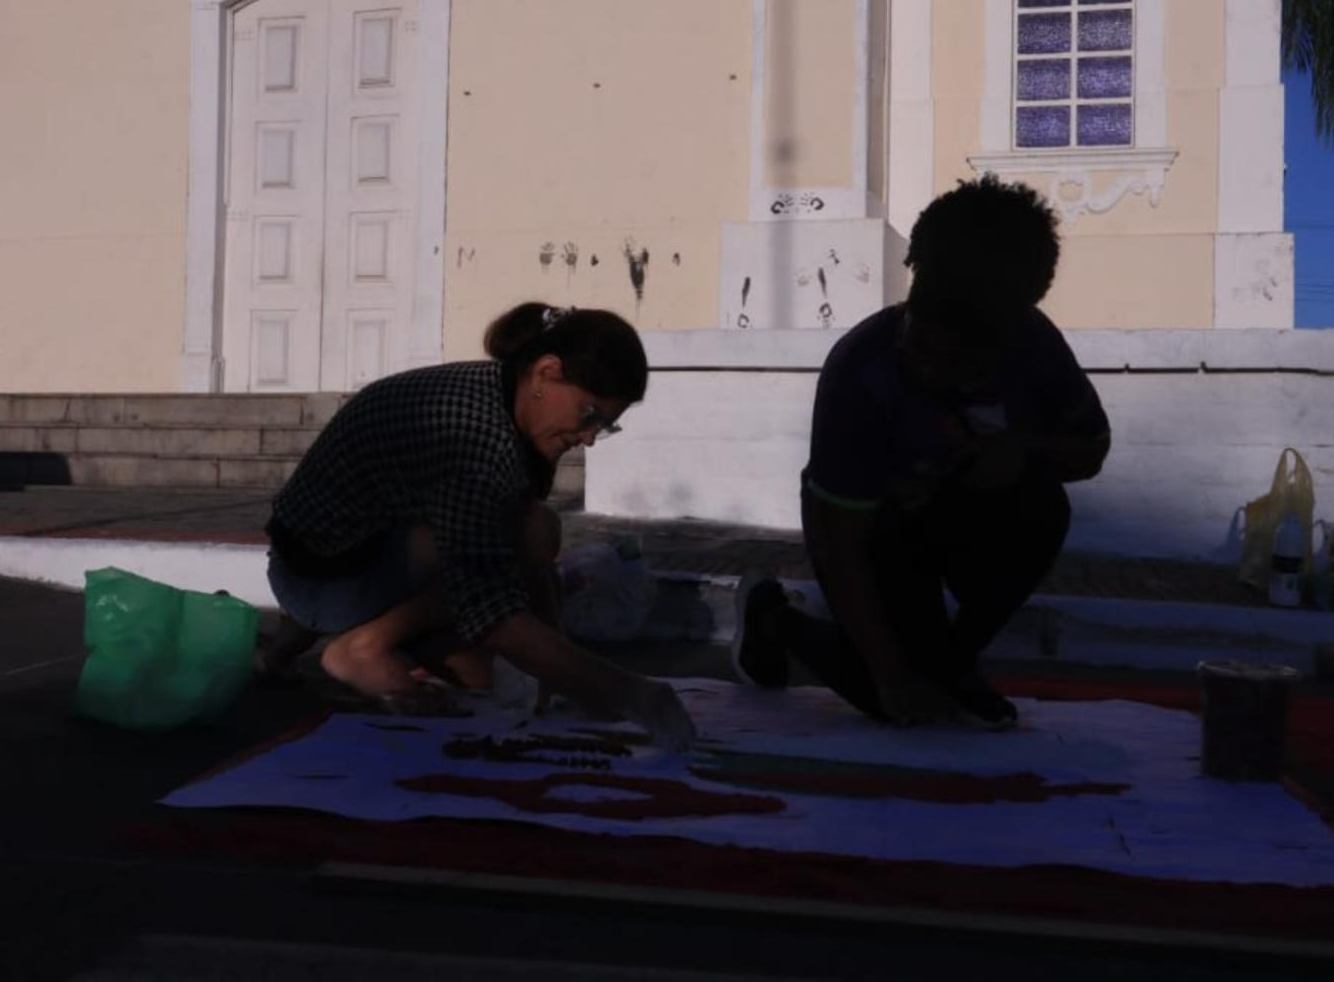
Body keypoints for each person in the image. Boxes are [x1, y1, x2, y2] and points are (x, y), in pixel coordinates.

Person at [730, 177, 1110, 728]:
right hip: (874, 534)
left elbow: (1092, 449)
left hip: (955, 517)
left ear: (1003, 337)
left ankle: (950, 663)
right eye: (918, 343)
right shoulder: (861, 371)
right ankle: (774, 619)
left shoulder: (1035, 348)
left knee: (1043, 505)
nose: (927, 369)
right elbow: (843, 542)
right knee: (891, 696)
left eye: (953, 360)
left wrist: (1023, 453)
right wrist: (889, 674)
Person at [258, 302, 696, 752]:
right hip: (323, 577)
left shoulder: (505, 396)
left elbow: (527, 580)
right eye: (590, 415)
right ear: (546, 373)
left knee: (488, 677)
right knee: (528, 532)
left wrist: (562, 673)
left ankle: (290, 646)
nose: (588, 437)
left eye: (606, 426)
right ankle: (361, 648)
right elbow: (486, 601)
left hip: (322, 560)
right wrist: (624, 691)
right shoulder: (476, 433)